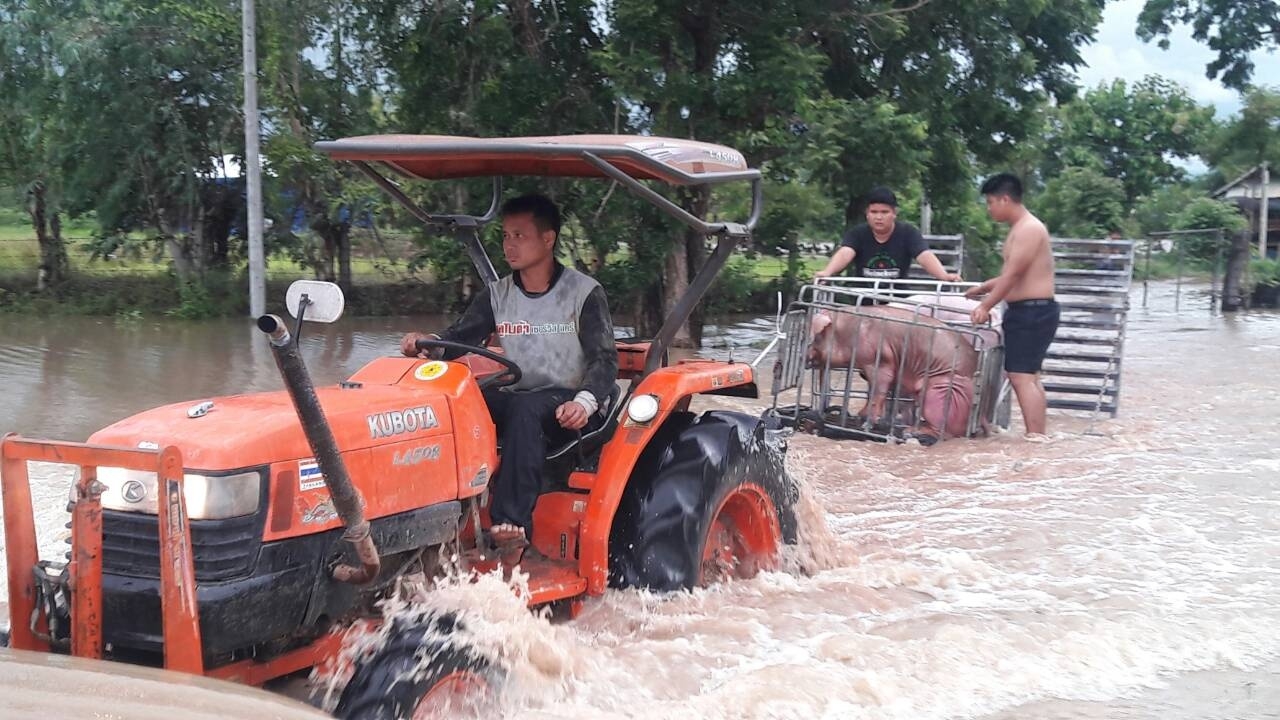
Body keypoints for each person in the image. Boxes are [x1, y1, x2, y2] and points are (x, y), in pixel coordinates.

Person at [400, 194, 618, 553]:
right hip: (522, 394)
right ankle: (431, 513)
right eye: (505, 236)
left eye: (519, 236)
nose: (509, 246)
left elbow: (605, 359)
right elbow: (459, 339)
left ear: (548, 240)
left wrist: (585, 401)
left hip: (573, 400)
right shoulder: (498, 294)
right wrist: (426, 343)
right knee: (456, 402)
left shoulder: (584, 293)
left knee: (526, 409)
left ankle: (511, 523)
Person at [965, 173, 1059, 439]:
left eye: (991, 202)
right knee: (1028, 375)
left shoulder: (1029, 228)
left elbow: (1014, 275)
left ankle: (1036, 437)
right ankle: (1038, 435)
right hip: (1030, 310)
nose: (989, 208)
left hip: (1033, 311)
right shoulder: (1022, 228)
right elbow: (1015, 274)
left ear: (1005, 199)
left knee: (1021, 376)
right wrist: (985, 287)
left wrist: (985, 305)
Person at [815, 186, 962, 285]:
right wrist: (827, 272)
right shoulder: (857, 233)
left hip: (899, 303)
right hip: (862, 302)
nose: (879, 217)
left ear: (894, 213)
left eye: (884, 212)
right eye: (874, 212)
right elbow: (845, 253)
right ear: (867, 213)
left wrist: (944, 276)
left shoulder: (908, 233)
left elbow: (924, 256)